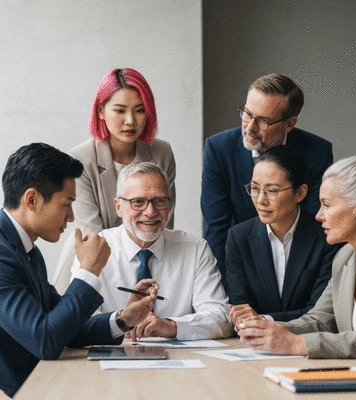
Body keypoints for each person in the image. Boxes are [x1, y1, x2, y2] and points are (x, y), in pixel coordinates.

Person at [0, 143, 158, 397]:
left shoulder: (28, 251)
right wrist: (87, 271)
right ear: (31, 199)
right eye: (66, 204)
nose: (72, 216)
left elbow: (61, 326)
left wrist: (122, 320)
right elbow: (45, 340)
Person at [237, 145, 356, 368]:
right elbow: (319, 320)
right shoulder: (345, 257)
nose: (318, 215)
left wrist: (295, 344)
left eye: (326, 205)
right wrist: (267, 329)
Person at [72, 162, 233, 341]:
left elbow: (222, 318)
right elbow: (76, 322)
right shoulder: (95, 250)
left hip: (180, 362)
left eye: (159, 201)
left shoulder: (195, 249)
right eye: (138, 202)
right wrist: (121, 321)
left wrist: (172, 326)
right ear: (118, 206)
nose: (150, 212)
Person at [53, 67, 176, 293]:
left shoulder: (162, 152)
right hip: (92, 263)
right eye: (120, 111)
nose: (130, 121)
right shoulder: (79, 160)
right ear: (101, 110)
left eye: (140, 110)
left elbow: (163, 219)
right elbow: (94, 233)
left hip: (148, 261)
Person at [201, 73, 333, 281]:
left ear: (289, 124)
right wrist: (228, 296)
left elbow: (314, 226)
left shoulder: (317, 153)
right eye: (246, 113)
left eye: (263, 120)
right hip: (240, 268)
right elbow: (216, 229)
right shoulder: (218, 149)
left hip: (296, 271)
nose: (250, 127)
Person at [227, 146, 341, 324]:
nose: (260, 200)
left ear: (300, 193)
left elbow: (321, 311)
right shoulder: (239, 237)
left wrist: (264, 320)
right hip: (251, 344)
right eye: (255, 188)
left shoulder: (326, 236)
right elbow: (240, 310)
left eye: (272, 191)